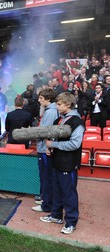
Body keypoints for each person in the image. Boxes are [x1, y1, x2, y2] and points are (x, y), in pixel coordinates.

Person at [40, 92, 84, 235]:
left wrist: (53, 144)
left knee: (68, 193)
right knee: (57, 190)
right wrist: (50, 148)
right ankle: (56, 215)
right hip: (56, 161)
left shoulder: (76, 122)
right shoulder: (60, 120)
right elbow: (55, 139)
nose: (57, 106)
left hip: (68, 164)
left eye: (59, 104)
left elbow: (74, 144)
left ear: (69, 104)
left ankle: (71, 222)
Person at [31, 88, 58, 213]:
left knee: (46, 177)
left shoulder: (50, 112)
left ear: (48, 99)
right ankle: (45, 199)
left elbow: (45, 131)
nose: (39, 100)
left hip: (45, 149)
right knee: (46, 176)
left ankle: (46, 204)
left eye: (41, 98)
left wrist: (33, 134)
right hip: (45, 147)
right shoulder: (50, 110)